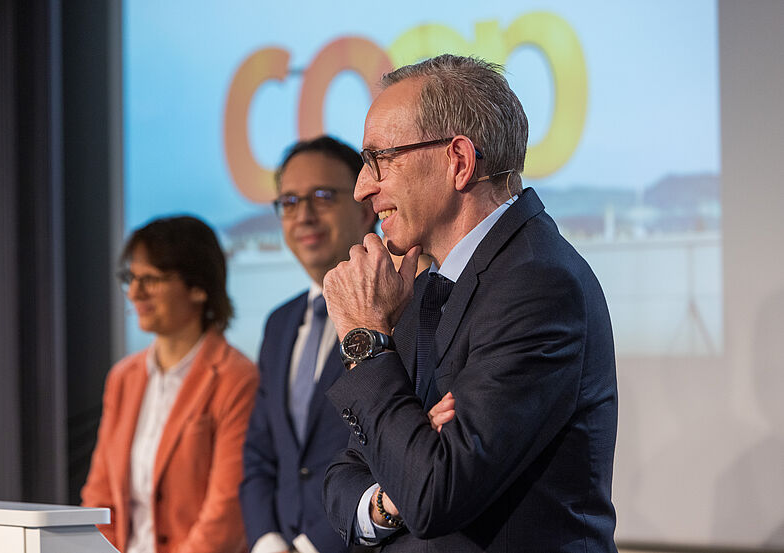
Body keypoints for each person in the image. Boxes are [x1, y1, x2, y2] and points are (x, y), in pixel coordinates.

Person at [321, 54, 618, 552]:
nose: (362, 187)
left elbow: (432, 493)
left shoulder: (539, 285)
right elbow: (343, 476)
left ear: (458, 161)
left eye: (380, 159)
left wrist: (365, 338)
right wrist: (388, 499)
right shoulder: (424, 284)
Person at [81, 215, 259, 553]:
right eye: (131, 278)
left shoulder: (236, 378)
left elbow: (225, 515)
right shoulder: (123, 377)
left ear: (198, 287)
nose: (135, 292)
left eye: (150, 279)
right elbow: (99, 497)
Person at [239, 136, 377, 553]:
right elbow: (260, 453)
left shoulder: (396, 309)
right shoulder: (280, 323)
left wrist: (310, 547)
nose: (304, 215)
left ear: (366, 207)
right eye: (289, 202)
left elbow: (392, 453)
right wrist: (267, 541)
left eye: (322, 196)